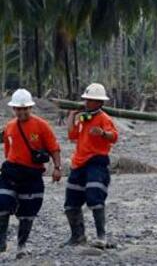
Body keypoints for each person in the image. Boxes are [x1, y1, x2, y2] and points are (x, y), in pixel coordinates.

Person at [0, 89, 62, 258]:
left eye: (25, 108)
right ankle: (1, 240)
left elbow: (54, 148)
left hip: (32, 174)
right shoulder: (10, 127)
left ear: (30, 108)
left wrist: (57, 168)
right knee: (2, 203)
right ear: (14, 109)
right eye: (18, 109)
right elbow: (8, 150)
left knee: (28, 213)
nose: (21, 112)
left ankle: (21, 246)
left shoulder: (42, 125)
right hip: (11, 171)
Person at [64, 83, 118, 249]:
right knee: (71, 201)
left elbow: (114, 136)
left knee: (95, 197)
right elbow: (72, 134)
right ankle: (77, 236)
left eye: (91, 100)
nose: (87, 103)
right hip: (79, 162)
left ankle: (101, 236)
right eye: (86, 99)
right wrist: (72, 116)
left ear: (99, 102)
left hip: (97, 162)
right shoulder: (82, 117)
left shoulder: (104, 118)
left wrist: (102, 133)